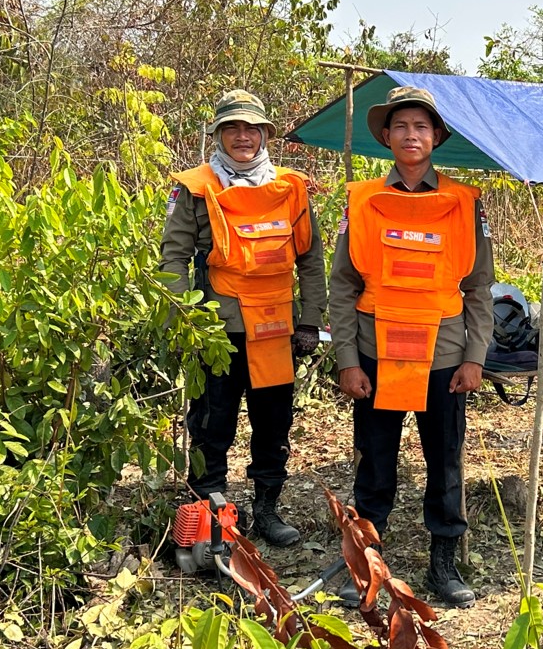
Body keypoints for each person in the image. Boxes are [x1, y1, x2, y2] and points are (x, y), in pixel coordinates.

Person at [329, 85, 494, 607]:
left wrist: (474, 357)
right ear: (385, 136)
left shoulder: (466, 204)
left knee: (444, 460)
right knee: (375, 462)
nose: (410, 135)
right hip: (378, 353)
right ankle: (368, 565)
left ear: (437, 137)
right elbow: (343, 286)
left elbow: (479, 288)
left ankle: (443, 565)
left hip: (443, 357)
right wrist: (348, 360)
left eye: (421, 126)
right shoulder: (362, 201)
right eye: (400, 126)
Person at [160, 89, 326, 546]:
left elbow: (310, 260)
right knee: (213, 423)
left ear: (265, 134)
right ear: (217, 135)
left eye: (251, 128)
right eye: (232, 128)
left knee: (273, 425)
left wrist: (310, 320)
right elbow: (172, 259)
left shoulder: (291, 187)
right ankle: (210, 518)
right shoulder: (195, 187)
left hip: (277, 327)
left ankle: (268, 509)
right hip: (219, 328)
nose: (242, 137)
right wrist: (187, 319)